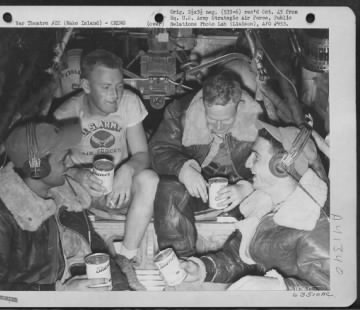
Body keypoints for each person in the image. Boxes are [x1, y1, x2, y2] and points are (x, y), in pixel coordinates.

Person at [176, 121, 330, 291]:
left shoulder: (314, 225)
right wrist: (202, 269)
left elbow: (330, 296)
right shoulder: (263, 207)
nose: (248, 164)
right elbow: (238, 258)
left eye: (256, 157)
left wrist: (279, 288)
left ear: (280, 166)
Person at [0, 120, 128, 291]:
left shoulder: (63, 193)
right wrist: (60, 293)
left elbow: (94, 247)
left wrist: (121, 289)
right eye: (62, 160)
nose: (69, 164)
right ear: (38, 169)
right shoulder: (0, 217)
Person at [53, 49, 159, 263]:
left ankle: (126, 258)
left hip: (120, 188)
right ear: (86, 86)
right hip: (81, 191)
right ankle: (73, 261)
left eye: (119, 86)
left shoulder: (129, 102)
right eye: (106, 87)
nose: (115, 94)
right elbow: (50, 166)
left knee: (150, 179)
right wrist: (78, 175)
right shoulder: (67, 113)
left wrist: (127, 171)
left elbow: (141, 154)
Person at [149, 70, 263, 256]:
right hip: (197, 192)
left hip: (241, 195)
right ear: (203, 105)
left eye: (226, 120)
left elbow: (276, 168)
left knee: (268, 200)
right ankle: (181, 261)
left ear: (239, 106)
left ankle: (246, 262)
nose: (218, 127)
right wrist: (183, 169)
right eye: (212, 119)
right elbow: (158, 149)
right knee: (168, 188)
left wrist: (247, 188)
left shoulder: (260, 120)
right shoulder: (180, 112)